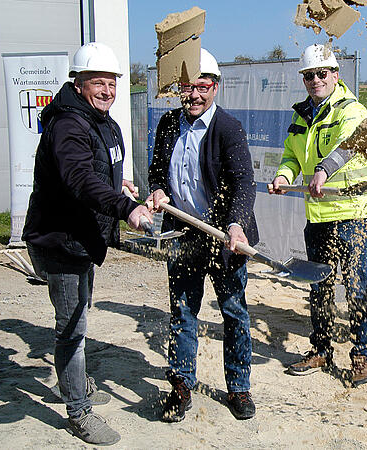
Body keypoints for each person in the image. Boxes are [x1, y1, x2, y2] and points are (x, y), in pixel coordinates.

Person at [23, 42, 153, 446]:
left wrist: (120, 184)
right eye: (98, 82)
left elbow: (100, 168)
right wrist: (124, 206)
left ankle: (75, 378)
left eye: (112, 82)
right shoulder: (67, 125)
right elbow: (78, 177)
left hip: (83, 240)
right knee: (72, 330)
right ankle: (78, 412)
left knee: (79, 315)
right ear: (78, 84)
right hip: (60, 241)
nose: (108, 90)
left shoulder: (103, 122)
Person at [146, 48, 259, 421]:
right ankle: (180, 386)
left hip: (224, 236)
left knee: (234, 313)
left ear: (215, 88)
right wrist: (158, 189)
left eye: (201, 87)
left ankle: (239, 388)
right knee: (182, 311)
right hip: (182, 234)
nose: (193, 95)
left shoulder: (227, 128)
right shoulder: (168, 124)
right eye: (186, 87)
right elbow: (157, 170)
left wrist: (236, 223)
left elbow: (244, 181)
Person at [269, 44, 367, 387]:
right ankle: (321, 349)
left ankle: (361, 355)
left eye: (322, 73)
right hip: (318, 216)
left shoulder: (350, 108)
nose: (315, 79)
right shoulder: (302, 116)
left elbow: (351, 145)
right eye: (309, 75)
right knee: (320, 284)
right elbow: (290, 155)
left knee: (356, 286)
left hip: (353, 212)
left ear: (335, 75)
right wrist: (285, 176)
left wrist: (324, 170)